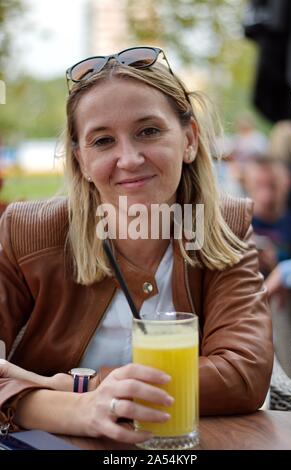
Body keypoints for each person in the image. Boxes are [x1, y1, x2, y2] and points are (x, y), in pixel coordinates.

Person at [0, 46, 273, 444]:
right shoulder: (27, 232)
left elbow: (243, 376)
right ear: (81, 162)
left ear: (190, 140)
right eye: (103, 141)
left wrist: (78, 385)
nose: (128, 159)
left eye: (149, 131)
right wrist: (74, 409)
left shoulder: (226, 228)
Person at [243, 156, 291, 277]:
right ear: (247, 184)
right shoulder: (237, 225)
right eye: (259, 186)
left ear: (287, 183)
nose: (266, 196)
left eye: (273, 186)